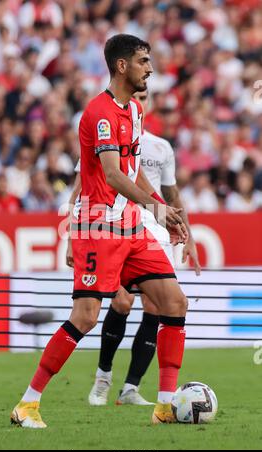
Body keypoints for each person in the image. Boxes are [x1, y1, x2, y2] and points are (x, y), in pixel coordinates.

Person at [11, 34, 188, 428]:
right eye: (144, 61)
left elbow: (131, 168)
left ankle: (164, 406)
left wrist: (161, 208)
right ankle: (28, 403)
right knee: (86, 317)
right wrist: (153, 206)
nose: (151, 69)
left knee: (174, 303)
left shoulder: (135, 112)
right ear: (122, 66)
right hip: (100, 227)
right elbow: (109, 173)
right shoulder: (99, 114)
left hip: (131, 226)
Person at [66, 89, 200, 406]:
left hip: (151, 227)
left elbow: (173, 194)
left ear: (148, 104)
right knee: (122, 302)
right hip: (113, 225)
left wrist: (187, 232)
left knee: (160, 306)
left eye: (145, 97)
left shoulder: (160, 147)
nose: (140, 101)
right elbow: (81, 185)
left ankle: (131, 388)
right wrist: (74, 233)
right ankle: (103, 377)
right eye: (136, 95)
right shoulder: (108, 132)